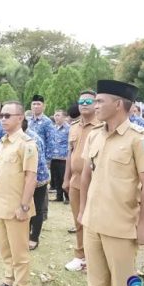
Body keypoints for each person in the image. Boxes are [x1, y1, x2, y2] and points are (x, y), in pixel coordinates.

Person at [79, 80, 144, 286]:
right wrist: (83, 210)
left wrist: (143, 228)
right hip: (93, 223)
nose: (95, 105)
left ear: (118, 104)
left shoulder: (139, 138)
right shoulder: (95, 135)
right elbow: (85, 177)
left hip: (120, 226)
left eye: (100, 101)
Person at [0, 101, 38, 286]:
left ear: (20, 118)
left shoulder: (27, 144)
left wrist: (24, 206)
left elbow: (31, 178)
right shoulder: (3, 142)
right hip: (2, 205)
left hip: (17, 208)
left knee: (19, 252)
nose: (3, 119)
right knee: (5, 248)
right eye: (2, 115)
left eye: (8, 115)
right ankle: (8, 281)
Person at [62, 90, 100, 272]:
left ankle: (95, 258)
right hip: (76, 181)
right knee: (78, 219)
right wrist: (66, 178)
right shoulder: (74, 127)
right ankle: (80, 255)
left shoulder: (102, 126)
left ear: (96, 104)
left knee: (95, 221)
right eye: (81, 101)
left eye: (89, 101)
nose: (84, 104)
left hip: (96, 182)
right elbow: (70, 154)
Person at [25, 122, 50, 251]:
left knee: (37, 209)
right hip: (23, 180)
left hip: (38, 179)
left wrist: (32, 181)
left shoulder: (33, 139)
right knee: (26, 207)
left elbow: (38, 164)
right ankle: (25, 234)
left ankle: (34, 238)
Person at [50, 109, 69, 202]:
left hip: (64, 158)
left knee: (64, 177)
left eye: (58, 115)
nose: (56, 117)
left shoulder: (69, 128)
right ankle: (59, 196)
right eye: (55, 115)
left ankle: (67, 197)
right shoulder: (52, 128)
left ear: (64, 117)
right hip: (54, 157)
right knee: (56, 178)